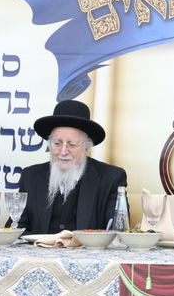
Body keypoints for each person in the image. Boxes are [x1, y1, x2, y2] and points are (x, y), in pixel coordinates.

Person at [17, 100, 126, 234]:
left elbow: (117, 230)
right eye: (57, 143)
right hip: (38, 247)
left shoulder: (111, 178)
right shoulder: (30, 176)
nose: (63, 152)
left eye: (72, 145)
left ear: (87, 146)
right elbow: (16, 229)